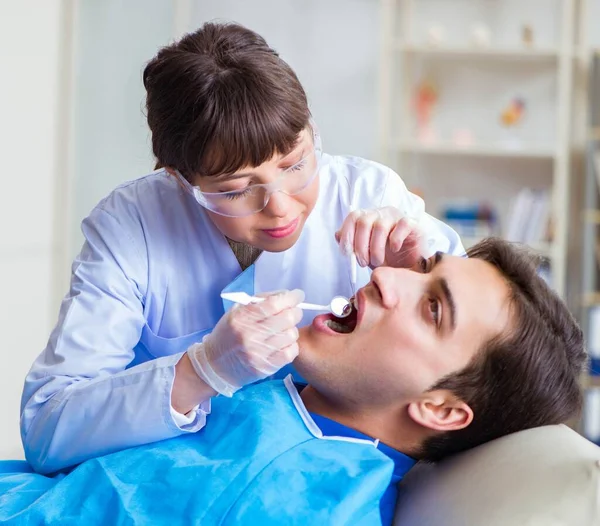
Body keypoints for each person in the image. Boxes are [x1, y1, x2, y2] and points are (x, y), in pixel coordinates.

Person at [20, 22, 464, 474]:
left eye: (295, 163)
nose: (281, 209)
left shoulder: (369, 193)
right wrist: (201, 371)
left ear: (311, 130)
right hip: (170, 482)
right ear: (179, 178)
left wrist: (422, 270)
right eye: (235, 191)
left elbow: (491, 355)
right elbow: (46, 430)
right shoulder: (132, 225)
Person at [2, 239, 586, 525]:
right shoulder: (285, 383)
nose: (386, 276)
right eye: (421, 270)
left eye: (432, 308)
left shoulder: (311, 502)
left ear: (438, 408)